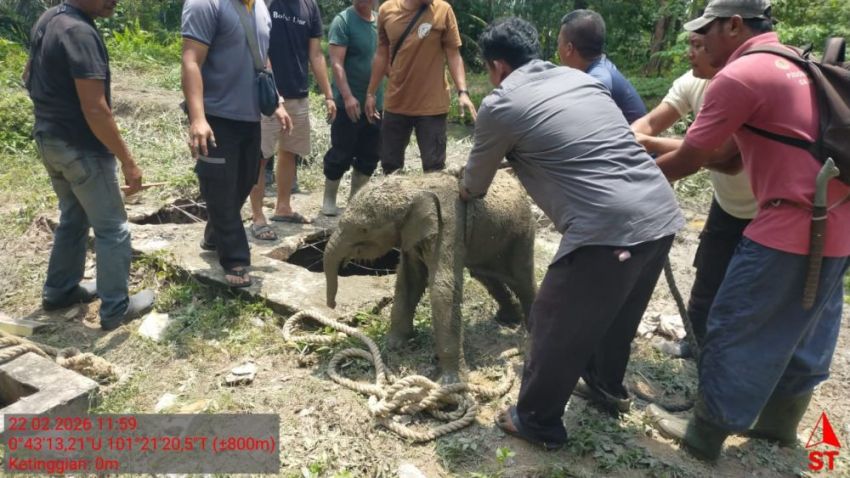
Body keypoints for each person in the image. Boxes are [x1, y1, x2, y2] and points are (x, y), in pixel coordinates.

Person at [460, 17, 684, 450]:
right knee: (617, 312)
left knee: (554, 318)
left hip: (607, 227)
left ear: (498, 67)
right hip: (659, 210)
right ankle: (603, 385)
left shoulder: (500, 104)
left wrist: (468, 183)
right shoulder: (579, 80)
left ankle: (536, 420)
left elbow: (474, 185)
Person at [646, 0, 850, 462]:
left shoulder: (740, 76)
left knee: (735, 324)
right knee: (806, 330)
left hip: (789, 228)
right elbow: (734, 155)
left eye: (706, 31)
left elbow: (689, 159)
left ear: (734, 25)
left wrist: (622, 184)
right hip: (837, 223)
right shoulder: (799, 63)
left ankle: (704, 434)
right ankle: (779, 425)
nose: (698, 43)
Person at [26, 0, 154, 331]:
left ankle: (61, 291)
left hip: (49, 140)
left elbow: (29, 77)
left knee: (74, 216)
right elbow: (96, 109)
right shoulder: (79, 32)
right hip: (81, 149)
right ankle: (116, 309)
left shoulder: (51, 19)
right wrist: (129, 162)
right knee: (113, 228)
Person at [631, 32, 758, 357]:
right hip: (727, 202)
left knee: (748, 288)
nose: (691, 53)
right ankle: (695, 344)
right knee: (708, 272)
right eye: (690, 44)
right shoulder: (692, 82)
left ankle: (731, 360)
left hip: (766, 209)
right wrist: (626, 138)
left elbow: (725, 158)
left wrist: (649, 150)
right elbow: (651, 121)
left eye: (700, 46)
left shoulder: (745, 86)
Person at [182, 0, 292, 287]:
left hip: (249, 113)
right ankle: (235, 258)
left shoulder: (260, 8)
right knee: (219, 183)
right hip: (216, 115)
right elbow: (191, 59)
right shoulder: (205, 5)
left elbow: (262, 58)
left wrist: (276, 100)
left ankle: (214, 233)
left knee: (245, 180)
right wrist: (197, 118)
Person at [248, 0, 336, 231]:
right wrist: (273, 93)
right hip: (267, 95)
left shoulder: (310, 6)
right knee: (260, 155)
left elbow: (315, 54)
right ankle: (257, 215)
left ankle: (283, 207)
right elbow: (259, 48)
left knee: (290, 151)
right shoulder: (265, 3)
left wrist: (328, 94)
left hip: (299, 93)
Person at [364, 0, 477, 175]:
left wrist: (463, 91)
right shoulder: (387, 10)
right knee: (390, 167)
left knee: (434, 169)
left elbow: (453, 54)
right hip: (397, 103)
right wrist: (370, 93)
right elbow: (381, 54)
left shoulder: (443, 10)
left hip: (432, 107)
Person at [321, 0, 383, 216]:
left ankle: (355, 202)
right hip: (348, 103)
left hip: (376, 103)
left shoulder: (381, 22)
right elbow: (336, 63)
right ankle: (329, 200)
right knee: (341, 151)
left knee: (370, 154)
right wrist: (347, 96)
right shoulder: (343, 21)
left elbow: (386, 60)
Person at [558, 9, 647, 124]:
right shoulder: (601, 68)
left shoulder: (597, 81)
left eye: (558, 42)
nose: (558, 47)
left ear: (569, 48)